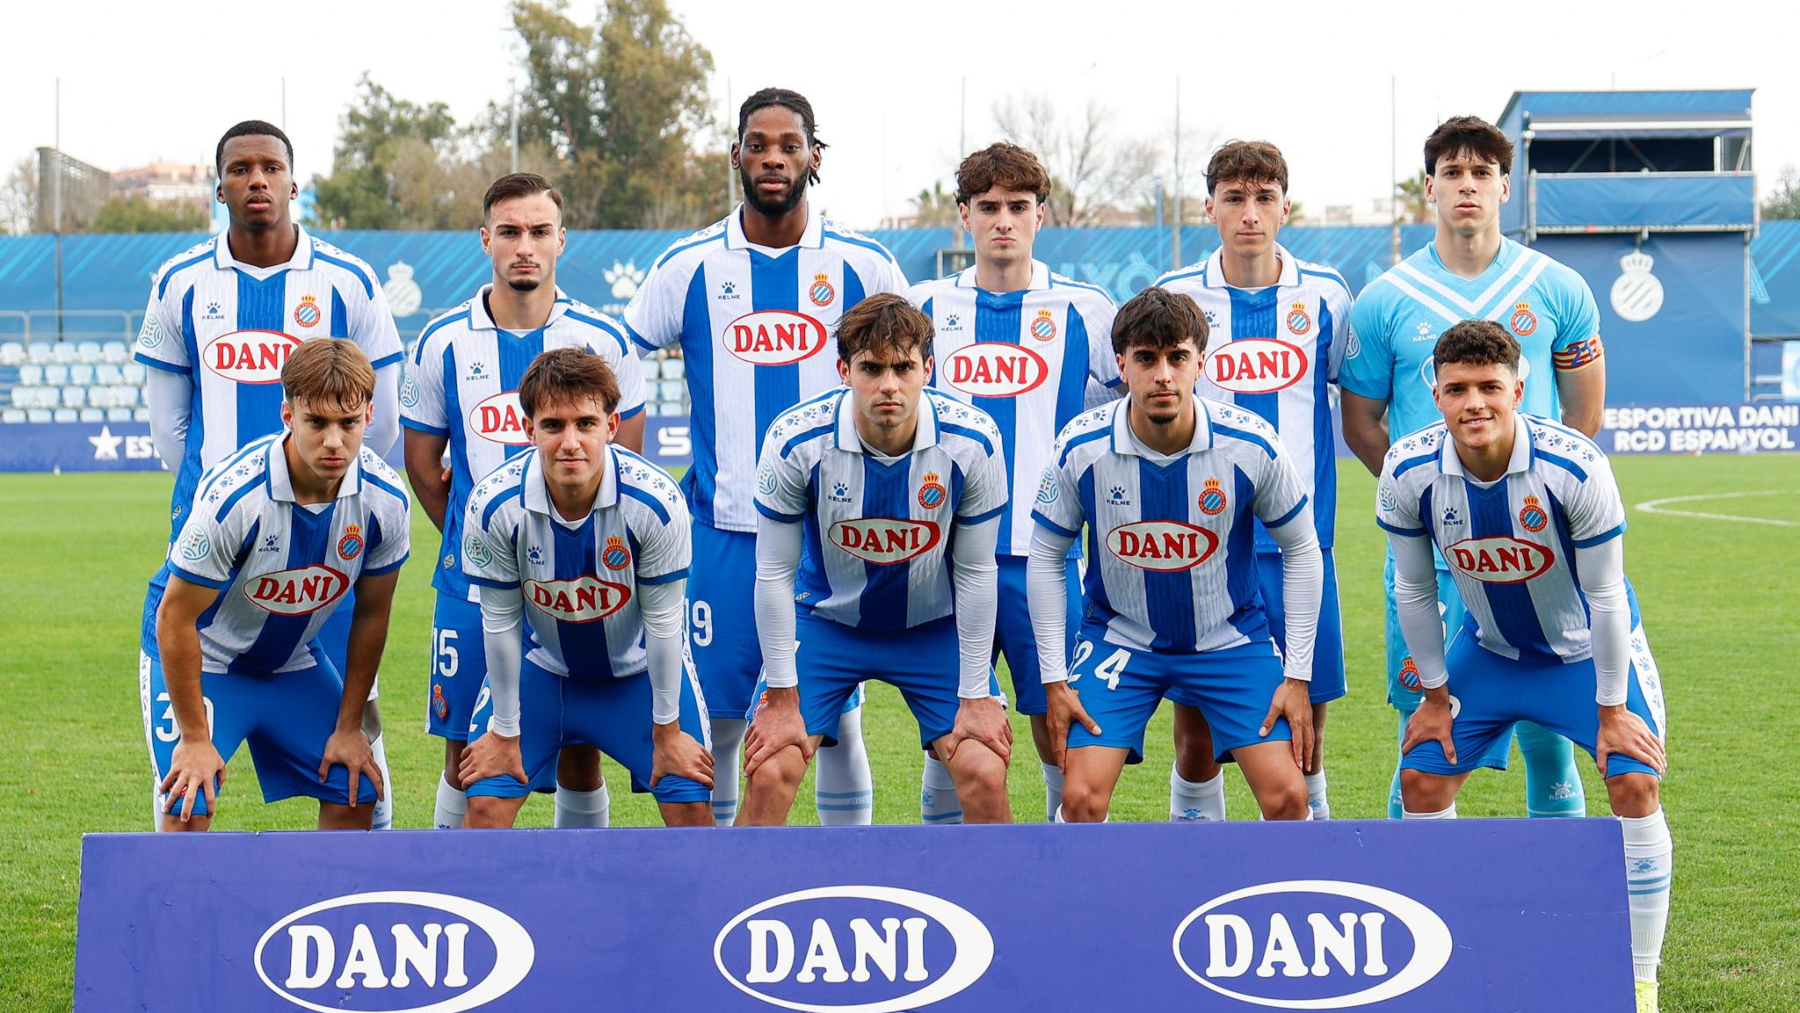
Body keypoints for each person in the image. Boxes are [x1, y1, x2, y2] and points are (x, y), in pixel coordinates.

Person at [624, 87, 907, 826]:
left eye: (789, 145)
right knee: (719, 720)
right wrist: (630, 475)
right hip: (721, 534)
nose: (773, 158)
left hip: (831, 539)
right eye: (758, 144)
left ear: (815, 156)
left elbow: (911, 378)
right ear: (737, 156)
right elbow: (621, 360)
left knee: (833, 720)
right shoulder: (688, 266)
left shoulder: (864, 266)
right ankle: (720, 884)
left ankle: (845, 873)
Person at [1378, 319, 1669, 1013]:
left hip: (1584, 655)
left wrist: (1610, 709)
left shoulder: (1574, 466)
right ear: (1436, 393)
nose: (1474, 402)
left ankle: (1639, 977)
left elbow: (1605, 596)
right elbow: (1414, 588)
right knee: (1420, 776)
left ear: (1519, 387)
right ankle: (1438, 954)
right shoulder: (1408, 468)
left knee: (1634, 783)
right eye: (1457, 389)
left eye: (1488, 387)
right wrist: (1435, 694)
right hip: (1491, 652)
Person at [135, 120, 404, 827]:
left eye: (271, 167)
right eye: (240, 168)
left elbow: (379, 420)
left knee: (361, 781)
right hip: (216, 558)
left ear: (294, 181)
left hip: (321, 566)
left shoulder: (348, 280)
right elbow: (170, 428)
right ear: (219, 185)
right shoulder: (181, 282)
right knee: (186, 793)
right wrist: (234, 498)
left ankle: (335, 924)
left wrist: (327, 476)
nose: (257, 180)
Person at [1341, 115, 1607, 820]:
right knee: (1424, 726)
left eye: (1481, 174)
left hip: (1536, 545)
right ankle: (1422, 908)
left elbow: (1583, 414)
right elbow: (1362, 424)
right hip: (1435, 547)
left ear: (1504, 188)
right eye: (1452, 173)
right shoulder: (1384, 301)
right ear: (1429, 188)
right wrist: (1427, 503)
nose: (1467, 186)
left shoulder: (1556, 287)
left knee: (1549, 738)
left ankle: (1553, 906)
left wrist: (1538, 498)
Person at [402, 172, 648, 830]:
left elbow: (627, 465)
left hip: (579, 583)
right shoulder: (441, 342)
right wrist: (476, 542)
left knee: (581, 751)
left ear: (561, 240)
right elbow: (424, 466)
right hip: (470, 587)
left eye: (539, 231)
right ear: (485, 239)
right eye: (509, 232)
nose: (524, 247)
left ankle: (582, 892)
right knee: (467, 755)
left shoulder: (605, 341)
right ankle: (452, 896)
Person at [1028, 288, 1321, 823]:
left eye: (1176, 358)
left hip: (1229, 637)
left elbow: (1301, 546)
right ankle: (1086, 906)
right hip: (1120, 639)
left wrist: (1297, 676)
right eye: (1146, 358)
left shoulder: (1250, 444)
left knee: (1288, 798)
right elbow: (1046, 556)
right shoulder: (1080, 447)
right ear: (1121, 364)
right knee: (1080, 798)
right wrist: (1054, 678)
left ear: (1199, 363)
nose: (1163, 374)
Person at [735, 295, 1011, 826]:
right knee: (771, 769)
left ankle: (994, 906)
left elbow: (977, 573)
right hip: (825, 624)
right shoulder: (796, 441)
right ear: (844, 370)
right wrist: (781, 696)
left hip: (932, 626)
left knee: (984, 768)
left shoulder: (974, 441)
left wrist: (976, 693)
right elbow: (771, 574)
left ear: (928, 370)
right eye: (872, 368)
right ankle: (736, 905)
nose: (889, 384)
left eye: (904, 367)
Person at [906, 141, 1120, 823]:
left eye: (1018, 207)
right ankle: (947, 880)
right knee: (950, 736)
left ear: (1041, 214)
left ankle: (1069, 884)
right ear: (962, 215)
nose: (1003, 220)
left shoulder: (1085, 310)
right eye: (989, 207)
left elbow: (1127, 410)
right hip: (942, 561)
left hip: (1046, 559)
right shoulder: (923, 308)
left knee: (1060, 728)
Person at [1156, 140, 1352, 821]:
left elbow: (1347, 405)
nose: (1249, 212)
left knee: (1306, 728)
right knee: (1198, 733)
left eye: (1263, 197)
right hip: (1203, 547)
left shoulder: (1326, 296)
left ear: (1285, 207)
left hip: (1301, 547)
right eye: (1234, 197)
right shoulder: (1177, 295)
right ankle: (1196, 868)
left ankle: (1309, 867)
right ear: (1208, 207)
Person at [148, 339, 409, 831]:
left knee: (354, 788)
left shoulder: (386, 501)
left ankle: (324, 908)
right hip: (205, 656)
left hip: (292, 660)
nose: (334, 441)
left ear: (369, 417)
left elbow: (373, 614)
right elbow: (175, 616)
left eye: (348, 424)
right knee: (188, 802)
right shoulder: (235, 500)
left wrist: (350, 726)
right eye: (317, 423)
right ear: (288, 413)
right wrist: (195, 738)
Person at [455, 348, 714, 828]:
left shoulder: (654, 503)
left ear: (612, 426)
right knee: (486, 806)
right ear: (528, 427)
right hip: (542, 671)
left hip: (636, 675)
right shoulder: (495, 505)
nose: (570, 442)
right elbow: (500, 623)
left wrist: (668, 731)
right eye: (553, 425)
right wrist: (505, 732)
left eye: (586, 424)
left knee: (690, 804)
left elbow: (663, 626)